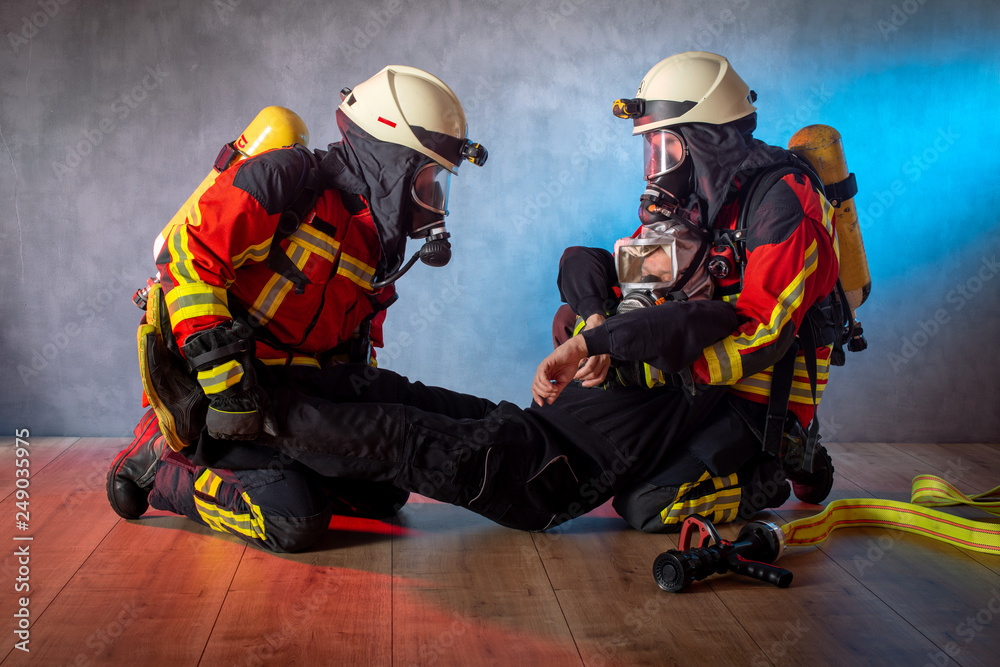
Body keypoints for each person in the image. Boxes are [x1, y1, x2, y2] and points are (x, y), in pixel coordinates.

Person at [107, 65, 490, 552]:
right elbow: (187, 263)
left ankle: (275, 469)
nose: (432, 202)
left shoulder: (376, 246)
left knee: (386, 491)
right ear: (390, 160)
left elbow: (357, 345)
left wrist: (354, 427)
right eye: (428, 179)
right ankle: (160, 462)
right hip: (219, 387)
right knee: (295, 520)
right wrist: (227, 390)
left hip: (291, 401)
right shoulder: (284, 180)